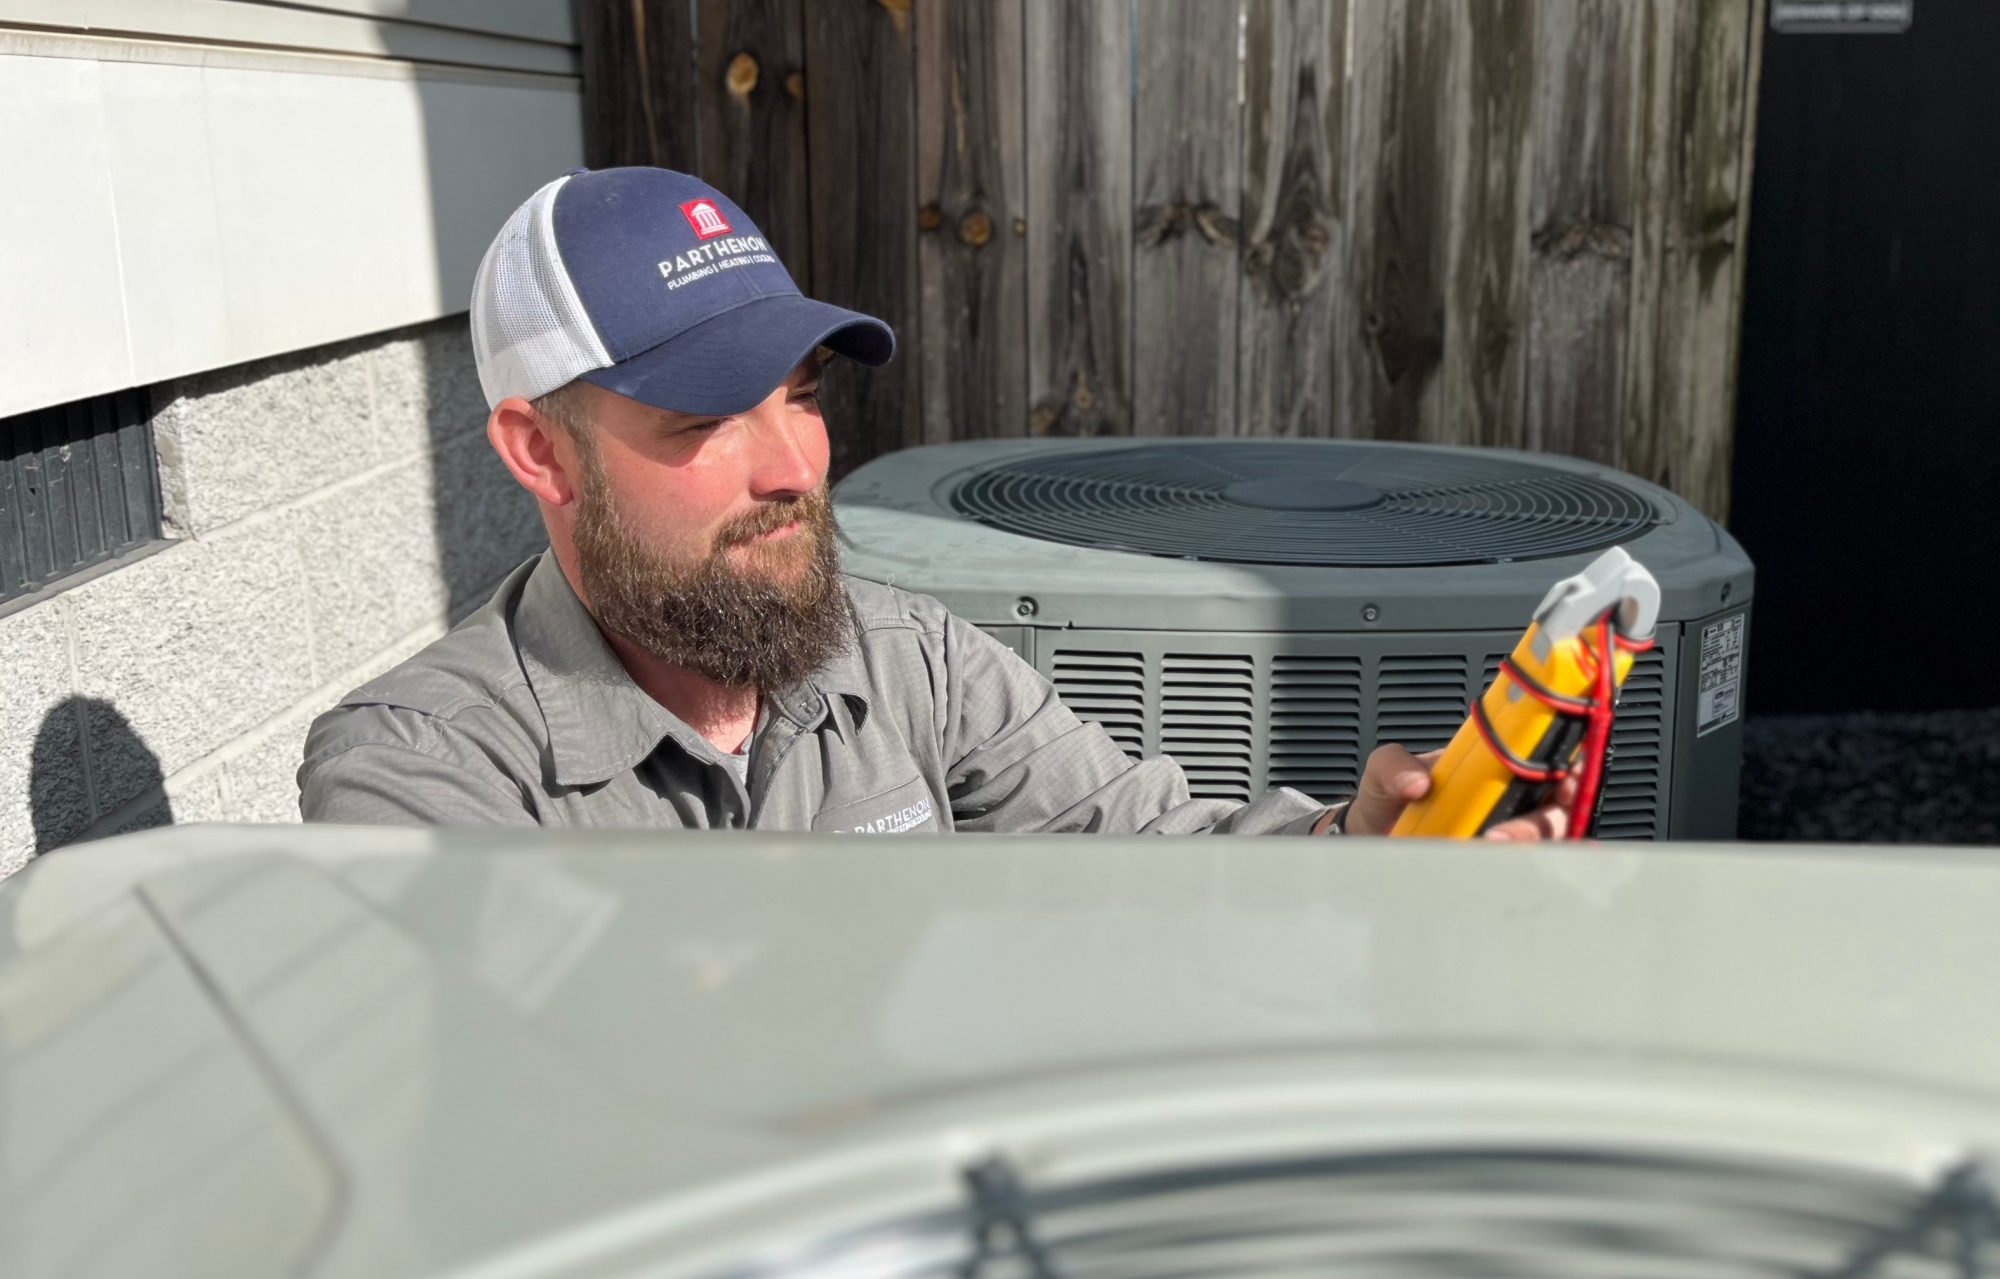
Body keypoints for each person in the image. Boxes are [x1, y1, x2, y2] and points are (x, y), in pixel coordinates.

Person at [301, 168, 1582, 840]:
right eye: (701, 420)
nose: (793, 468)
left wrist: (1361, 841)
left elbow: (1149, 847)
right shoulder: (424, 774)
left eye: (800, 396)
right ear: (540, 452)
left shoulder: (910, 661)